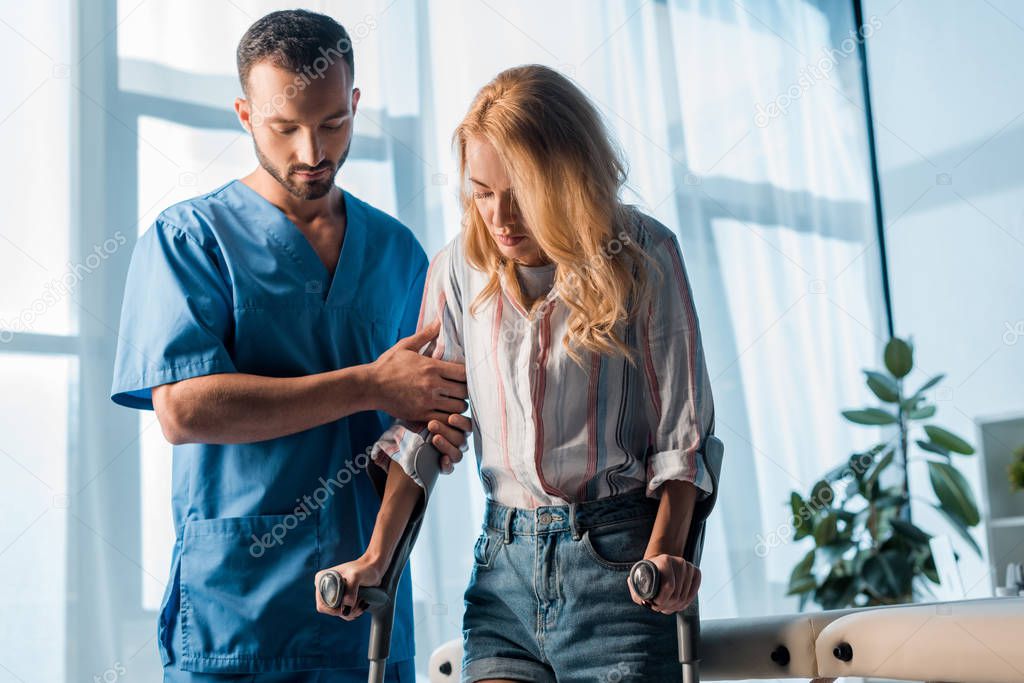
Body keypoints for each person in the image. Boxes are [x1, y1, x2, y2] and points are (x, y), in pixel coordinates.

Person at [316, 64, 717, 683]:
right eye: (482, 191)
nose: (499, 218)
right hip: (503, 566)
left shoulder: (644, 254)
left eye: (521, 192)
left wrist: (665, 554)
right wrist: (373, 559)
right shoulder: (457, 270)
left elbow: (682, 440)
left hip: (619, 570)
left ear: (569, 178)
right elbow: (424, 431)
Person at [110, 10, 470, 682]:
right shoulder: (189, 240)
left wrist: (434, 427)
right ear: (245, 115)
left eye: (334, 123)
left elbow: (424, 425)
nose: (313, 151)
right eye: (285, 128)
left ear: (355, 103)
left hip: (367, 611)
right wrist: (371, 384)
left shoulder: (396, 252)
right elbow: (184, 411)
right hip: (238, 616)